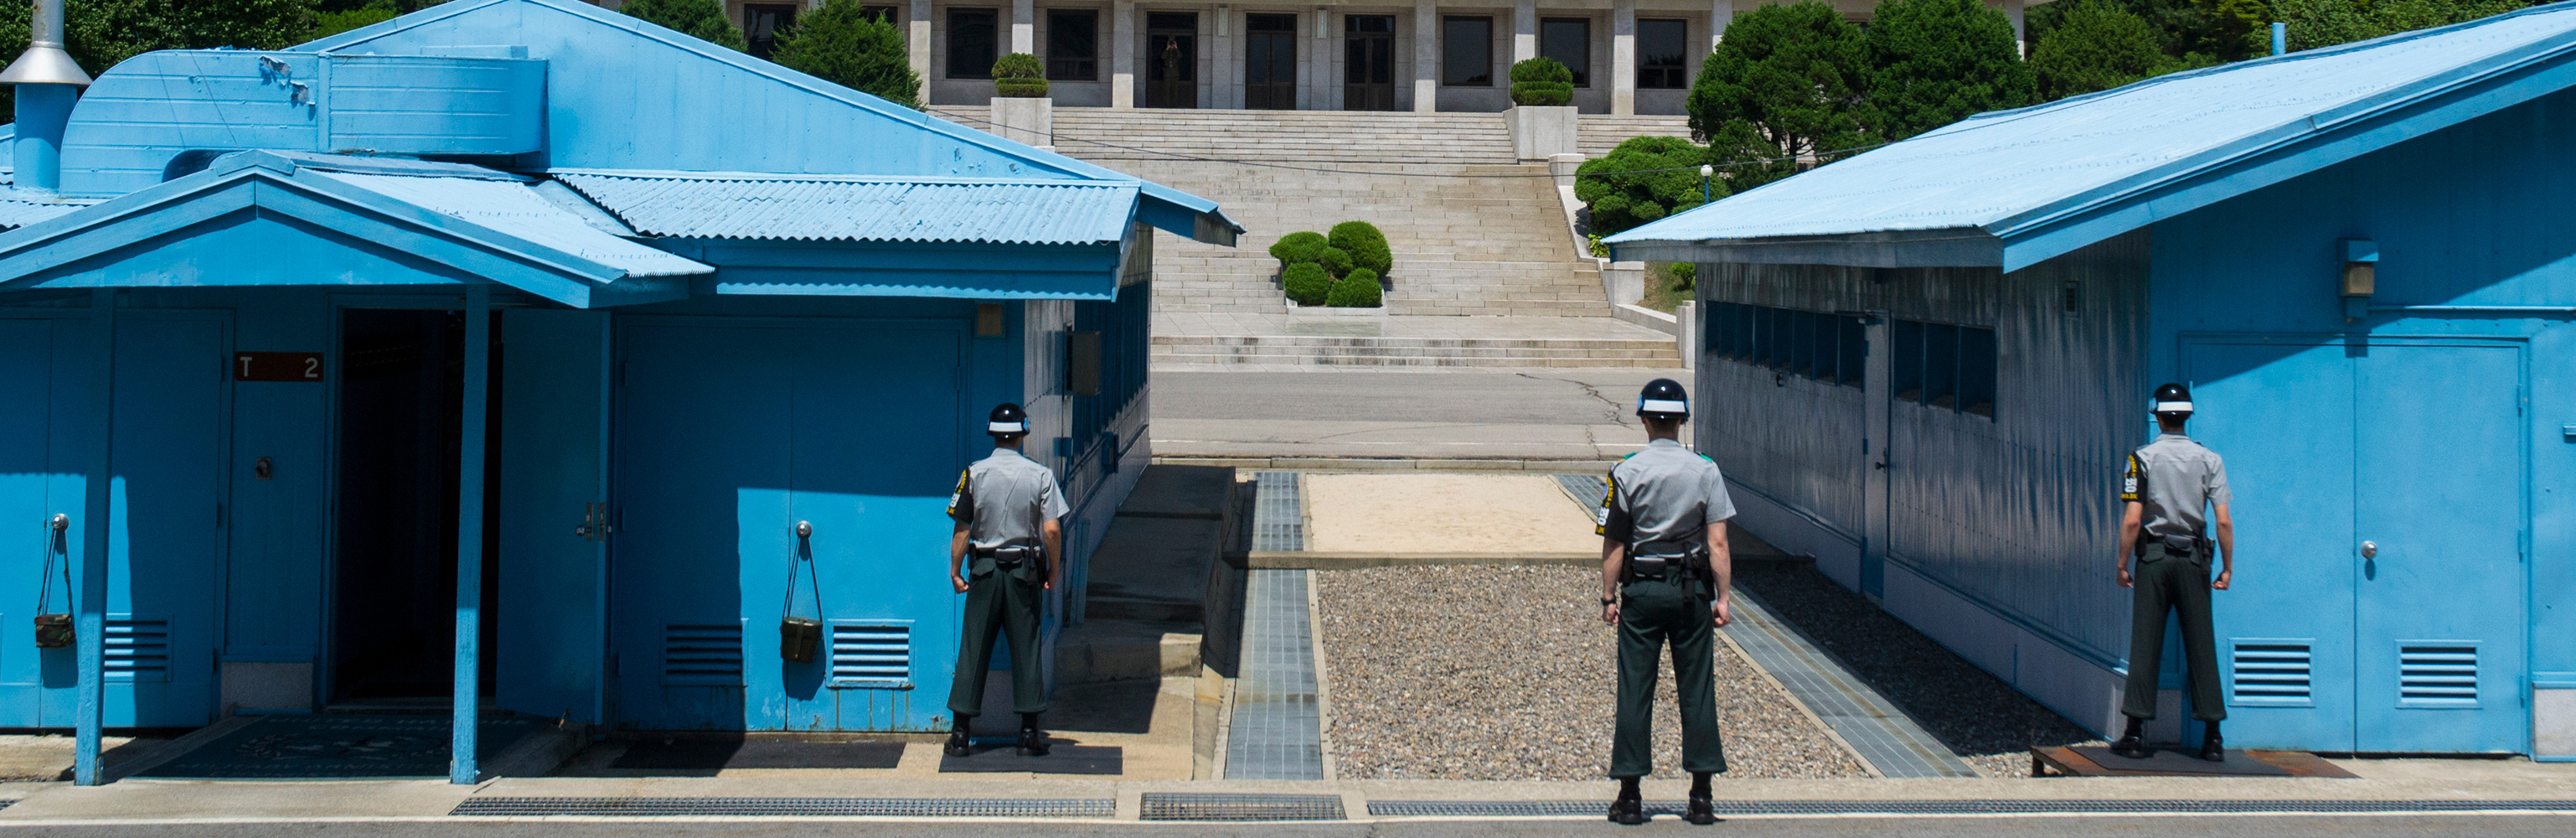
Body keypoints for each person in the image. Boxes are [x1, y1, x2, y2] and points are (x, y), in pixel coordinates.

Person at [1596, 378, 1732, 826]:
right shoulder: (1706, 471)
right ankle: (1702, 796)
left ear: (1643, 419)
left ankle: (1630, 796)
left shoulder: (1625, 471)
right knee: (1697, 688)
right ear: (1682, 420)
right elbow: (1718, 543)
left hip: (1643, 590)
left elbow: (1615, 543)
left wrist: (1609, 596)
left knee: (1635, 688)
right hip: (1692, 591)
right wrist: (1724, 598)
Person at [2112, 383, 2236, 762]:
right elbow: (2223, 521)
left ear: (2158, 416)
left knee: (2145, 641)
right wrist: (2227, 567)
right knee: (2201, 642)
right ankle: (2213, 738)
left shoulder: (2140, 459)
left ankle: (2135, 733)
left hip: (2153, 557)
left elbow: (2133, 520)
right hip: (2195, 559)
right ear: (2187, 416)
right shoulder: (2210, 459)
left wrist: (2122, 563)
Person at [943, 402, 1067, 758]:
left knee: (974, 647)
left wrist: (955, 571)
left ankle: (961, 735)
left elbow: (962, 530)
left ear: (992, 434)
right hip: (1024, 573)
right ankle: (1028, 734)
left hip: (984, 570)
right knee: (1027, 648)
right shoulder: (1041, 476)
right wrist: (1053, 569)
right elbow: (1051, 530)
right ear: (1023, 435)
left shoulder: (974, 473)